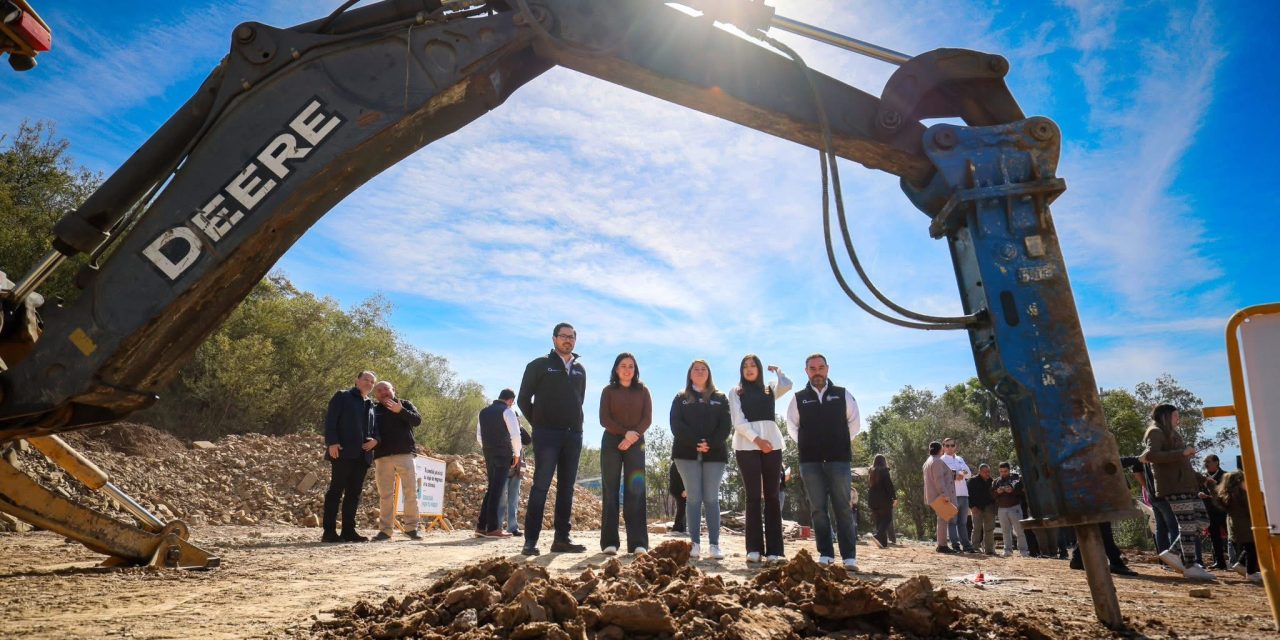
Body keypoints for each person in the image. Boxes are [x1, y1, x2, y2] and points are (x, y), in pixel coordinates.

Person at [518, 323, 588, 556]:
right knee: (541, 486)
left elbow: (580, 401)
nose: (567, 340)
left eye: (571, 337)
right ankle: (530, 541)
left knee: (567, 489)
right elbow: (523, 399)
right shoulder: (539, 365)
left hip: (573, 436)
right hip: (547, 436)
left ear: (575, 341)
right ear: (554, 339)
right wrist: (539, 423)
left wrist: (576, 426)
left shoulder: (580, 370)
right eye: (563, 336)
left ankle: (562, 539)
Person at [787, 354, 861, 569]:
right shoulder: (798, 398)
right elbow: (793, 428)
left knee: (843, 508)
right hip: (810, 462)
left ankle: (849, 557)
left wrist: (838, 442)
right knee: (818, 509)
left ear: (827, 369)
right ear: (806, 371)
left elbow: (853, 424)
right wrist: (809, 445)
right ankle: (826, 554)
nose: (817, 371)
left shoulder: (842, 394)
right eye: (812, 368)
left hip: (839, 460)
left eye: (820, 367)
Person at [729, 355, 792, 564]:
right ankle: (753, 549)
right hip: (747, 444)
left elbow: (787, 385)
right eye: (745, 366)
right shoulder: (736, 391)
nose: (749, 369)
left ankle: (775, 551)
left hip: (772, 444)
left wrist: (779, 371)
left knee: (773, 496)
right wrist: (757, 440)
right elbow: (738, 421)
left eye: (753, 365)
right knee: (753, 496)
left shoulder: (769, 389)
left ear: (759, 369)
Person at [1140, 404, 1214, 580]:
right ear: (1166, 416)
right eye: (1175, 416)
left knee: (1202, 521)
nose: (1178, 419)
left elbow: (1182, 463)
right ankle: (1189, 564)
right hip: (1174, 486)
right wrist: (1182, 452)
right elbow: (1152, 456)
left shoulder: (1172, 434)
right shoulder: (1155, 431)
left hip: (1186, 485)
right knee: (1187, 524)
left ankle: (1175, 553)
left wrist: (1202, 479)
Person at [670, 359, 732, 561]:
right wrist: (695, 442)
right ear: (689, 374)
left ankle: (714, 545)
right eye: (695, 369)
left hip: (715, 454)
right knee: (694, 498)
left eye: (703, 368)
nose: (699, 371)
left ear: (709, 373)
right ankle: (694, 543)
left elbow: (725, 426)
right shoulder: (680, 398)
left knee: (711, 498)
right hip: (686, 454)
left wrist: (709, 444)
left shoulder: (720, 398)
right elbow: (676, 425)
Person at [599, 352, 652, 555]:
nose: (627, 369)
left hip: (636, 442)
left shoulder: (643, 390)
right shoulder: (608, 391)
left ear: (635, 369)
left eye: (631, 366)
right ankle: (609, 542)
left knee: (635, 491)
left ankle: (638, 543)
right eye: (623, 365)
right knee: (610, 489)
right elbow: (604, 419)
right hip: (612, 441)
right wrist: (624, 433)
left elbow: (647, 418)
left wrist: (632, 436)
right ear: (616, 369)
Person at [322, 371, 379, 543]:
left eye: (372, 382)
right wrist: (332, 442)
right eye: (365, 380)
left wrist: (376, 441)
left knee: (354, 494)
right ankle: (329, 532)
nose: (368, 383)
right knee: (336, 491)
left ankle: (348, 531)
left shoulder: (371, 404)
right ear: (357, 381)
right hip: (342, 452)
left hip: (363, 456)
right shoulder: (343, 396)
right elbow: (331, 420)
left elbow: (375, 429)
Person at [371, 380, 423, 541]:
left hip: (405, 454)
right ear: (376, 395)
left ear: (393, 390)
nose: (383, 392)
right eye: (379, 390)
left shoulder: (405, 404)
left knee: (410, 492)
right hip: (382, 456)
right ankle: (385, 530)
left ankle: (411, 528)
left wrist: (400, 411)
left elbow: (417, 421)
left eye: (386, 389)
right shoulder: (373, 409)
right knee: (385, 494)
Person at [476, 389, 521, 538]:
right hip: (503, 453)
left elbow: (479, 436)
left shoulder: (483, 412)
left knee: (491, 488)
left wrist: (487, 448)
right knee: (497, 489)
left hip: (488, 452)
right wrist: (517, 454)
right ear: (510, 400)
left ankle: (481, 527)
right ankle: (493, 528)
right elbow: (515, 435)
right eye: (512, 402)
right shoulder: (508, 411)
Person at [1212, 470, 1262, 584]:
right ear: (1239, 480)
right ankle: (1251, 573)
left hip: (1235, 524)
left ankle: (1241, 564)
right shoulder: (1240, 493)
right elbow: (1249, 507)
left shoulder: (1227, 493)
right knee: (1252, 548)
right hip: (1245, 524)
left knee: (1248, 547)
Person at [940, 438, 975, 553]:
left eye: (952, 445)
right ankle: (955, 545)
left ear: (955, 446)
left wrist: (959, 473)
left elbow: (968, 473)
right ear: (943, 447)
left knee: (963, 522)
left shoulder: (960, 459)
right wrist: (956, 475)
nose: (950, 448)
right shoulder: (942, 460)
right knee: (952, 521)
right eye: (947, 445)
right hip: (952, 495)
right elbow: (944, 476)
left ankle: (966, 545)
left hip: (964, 494)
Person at [495, 425, 532, 536]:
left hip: (517, 470)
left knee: (514, 500)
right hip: (503, 468)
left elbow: (528, 440)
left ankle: (512, 527)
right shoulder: (501, 430)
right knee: (501, 500)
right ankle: (498, 527)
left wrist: (519, 426)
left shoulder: (518, 431)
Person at [923, 441, 957, 554]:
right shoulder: (937, 461)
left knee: (942, 519)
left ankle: (941, 544)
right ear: (941, 449)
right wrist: (945, 494)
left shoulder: (928, 461)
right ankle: (942, 545)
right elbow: (939, 479)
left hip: (932, 495)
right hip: (939, 495)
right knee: (943, 519)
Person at [992, 462, 1029, 557]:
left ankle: (1023, 550)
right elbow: (992, 495)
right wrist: (997, 492)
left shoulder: (1016, 478)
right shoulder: (996, 481)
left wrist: (1012, 490)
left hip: (1015, 507)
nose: (1003, 473)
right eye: (1001, 471)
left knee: (1019, 530)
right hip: (1002, 509)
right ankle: (1007, 550)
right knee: (1005, 531)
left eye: (1005, 471)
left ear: (1009, 470)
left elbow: (1022, 492)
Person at [1201, 454, 1229, 570]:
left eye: (1208, 462)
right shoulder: (1203, 477)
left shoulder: (1226, 476)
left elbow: (1227, 494)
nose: (1206, 465)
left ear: (1216, 462)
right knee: (1214, 538)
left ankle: (1242, 561)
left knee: (1233, 536)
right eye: (1205, 462)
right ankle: (1219, 562)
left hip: (1223, 511)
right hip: (1210, 512)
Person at [867, 454, 896, 549]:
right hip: (884, 500)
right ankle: (878, 535)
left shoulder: (871, 471)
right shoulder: (884, 471)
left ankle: (883, 543)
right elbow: (889, 486)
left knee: (879, 521)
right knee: (887, 519)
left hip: (872, 500)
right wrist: (894, 498)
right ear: (884, 461)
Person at [967, 464, 997, 555]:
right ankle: (975, 547)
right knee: (976, 528)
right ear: (980, 472)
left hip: (989, 508)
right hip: (976, 508)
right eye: (985, 472)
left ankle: (989, 549)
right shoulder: (972, 481)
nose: (987, 473)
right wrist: (972, 507)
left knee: (989, 529)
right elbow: (968, 495)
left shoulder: (992, 481)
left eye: (988, 472)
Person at [668, 461, 687, 535]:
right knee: (682, 507)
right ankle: (675, 529)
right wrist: (683, 490)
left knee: (683, 507)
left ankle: (682, 529)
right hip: (677, 489)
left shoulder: (681, 462)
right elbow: (677, 479)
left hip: (680, 489)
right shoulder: (677, 463)